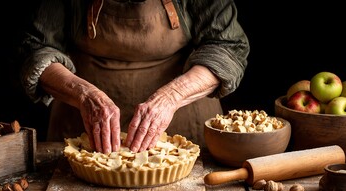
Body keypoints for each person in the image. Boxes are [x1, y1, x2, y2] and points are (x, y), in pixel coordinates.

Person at [17, 0, 250, 154]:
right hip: (82, 129)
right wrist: (84, 94)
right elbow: (34, 48)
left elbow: (227, 46)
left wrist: (171, 96)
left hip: (184, 126)